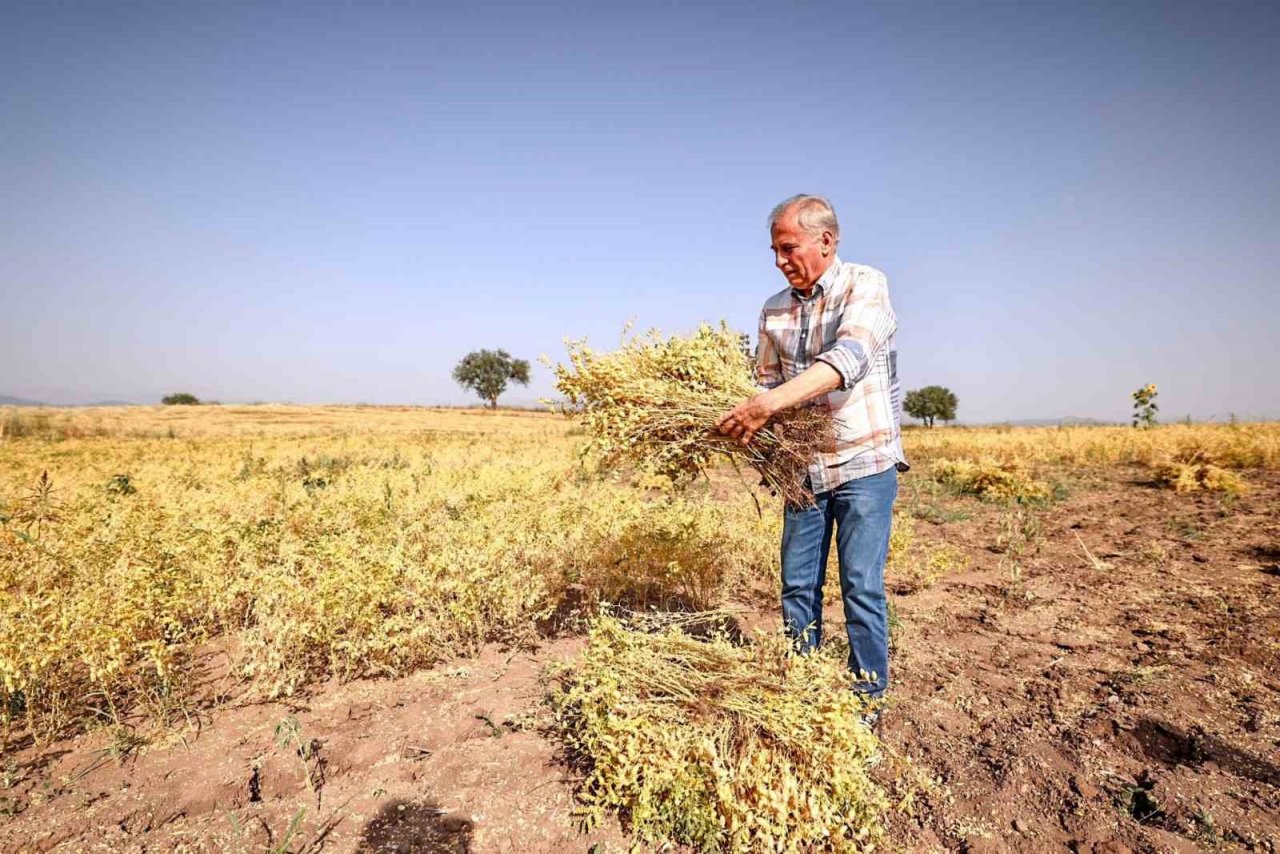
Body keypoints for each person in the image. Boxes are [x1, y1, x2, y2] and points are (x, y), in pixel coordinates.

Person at [717, 194, 907, 709]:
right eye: (774, 251)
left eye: (788, 247)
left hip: (864, 462)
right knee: (796, 586)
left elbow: (851, 357)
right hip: (802, 472)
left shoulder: (865, 285)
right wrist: (746, 425)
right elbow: (765, 381)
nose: (780, 260)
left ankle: (867, 699)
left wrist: (766, 404)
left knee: (860, 588)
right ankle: (802, 690)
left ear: (826, 241)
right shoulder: (773, 310)